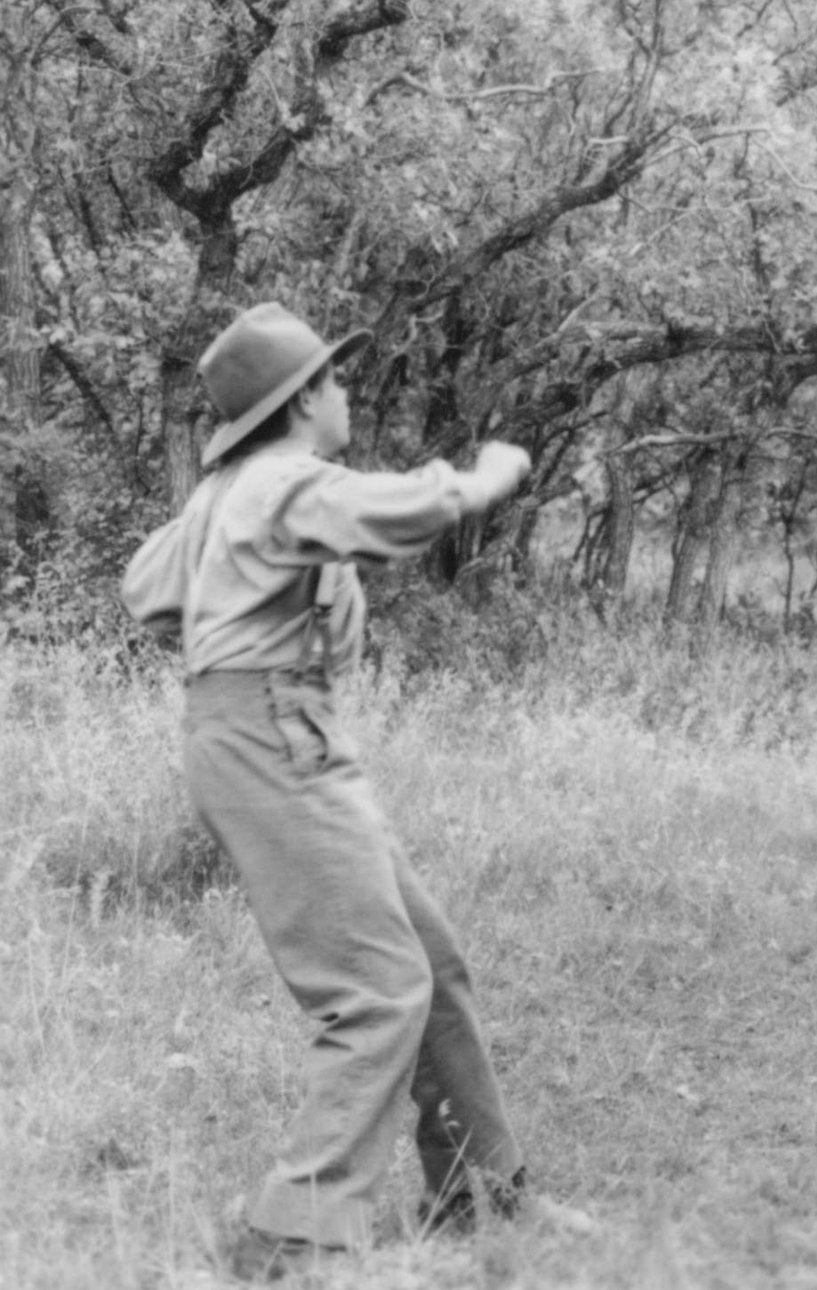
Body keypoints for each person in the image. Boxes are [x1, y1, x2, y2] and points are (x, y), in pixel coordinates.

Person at [122, 303, 536, 1280]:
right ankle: (291, 1234)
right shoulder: (280, 480)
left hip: (275, 732)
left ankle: (479, 1192)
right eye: (335, 381)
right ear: (303, 399)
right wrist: (487, 476)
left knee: (430, 962)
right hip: (272, 737)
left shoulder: (229, 489)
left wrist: (235, 626)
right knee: (376, 988)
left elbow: (147, 588)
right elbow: (397, 512)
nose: (345, 394)